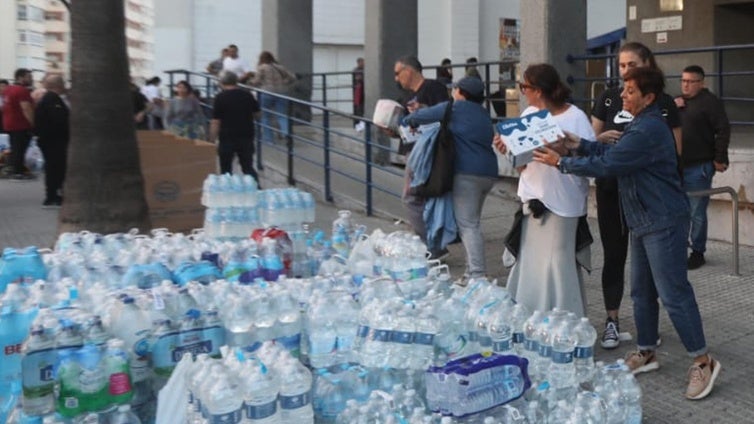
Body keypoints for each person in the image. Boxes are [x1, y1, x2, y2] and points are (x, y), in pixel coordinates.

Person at [533, 66, 721, 401]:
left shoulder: (649, 128)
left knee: (674, 293)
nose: (622, 95)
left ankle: (703, 361)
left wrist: (561, 162)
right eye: (624, 89)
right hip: (643, 220)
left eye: (630, 91)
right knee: (641, 292)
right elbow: (612, 153)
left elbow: (610, 166)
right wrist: (577, 145)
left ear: (648, 97)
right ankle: (646, 351)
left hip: (663, 220)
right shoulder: (639, 125)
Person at [591, 41, 682, 349]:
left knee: (652, 270)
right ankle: (612, 320)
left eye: (632, 65)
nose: (625, 71)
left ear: (647, 64)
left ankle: (650, 329)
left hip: (647, 197)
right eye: (621, 65)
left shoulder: (662, 103)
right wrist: (598, 141)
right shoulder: (608, 98)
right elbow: (594, 144)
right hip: (612, 191)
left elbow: (674, 150)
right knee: (614, 256)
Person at [493, 63, 595, 317]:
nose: (522, 92)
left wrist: (562, 151)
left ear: (537, 90)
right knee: (530, 264)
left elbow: (591, 164)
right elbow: (522, 166)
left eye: (524, 87)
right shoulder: (528, 114)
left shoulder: (575, 117)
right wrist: (509, 151)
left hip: (563, 202)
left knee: (558, 265)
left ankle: (563, 320)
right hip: (531, 197)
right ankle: (528, 318)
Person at [402, 76, 498, 278]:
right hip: (488, 174)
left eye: (455, 89)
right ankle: (470, 270)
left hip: (467, 174)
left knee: (468, 225)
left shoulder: (455, 108)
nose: (453, 92)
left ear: (461, 93)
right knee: (472, 222)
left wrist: (409, 119)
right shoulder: (483, 113)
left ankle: (477, 275)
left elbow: (421, 116)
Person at [392, 55, 450, 258]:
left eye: (398, 73)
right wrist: (390, 129)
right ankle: (433, 243)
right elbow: (403, 128)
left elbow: (446, 114)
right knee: (420, 199)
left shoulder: (434, 88)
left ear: (409, 70)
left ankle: (433, 245)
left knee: (411, 198)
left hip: (428, 153)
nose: (397, 79)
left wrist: (424, 111)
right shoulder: (405, 98)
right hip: (413, 152)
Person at [675, 65, 730, 270]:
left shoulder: (709, 102)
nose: (686, 85)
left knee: (696, 212)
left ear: (701, 83)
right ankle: (680, 247)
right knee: (679, 211)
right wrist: (672, 106)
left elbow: (723, 130)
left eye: (690, 81)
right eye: (683, 81)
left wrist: (719, 158)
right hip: (678, 166)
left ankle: (698, 252)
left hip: (699, 167)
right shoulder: (678, 102)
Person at [209, 71, 261, 183]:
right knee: (247, 166)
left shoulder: (220, 98)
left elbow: (216, 121)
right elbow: (258, 115)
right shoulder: (247, 95)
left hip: (227, 136)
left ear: (221, 82)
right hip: (246, 135)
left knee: (226, 168)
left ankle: (227, 191)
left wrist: (212, 139)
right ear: (236, 81)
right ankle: (257, 189)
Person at [33, 75, 69, 207]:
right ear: (58, 85)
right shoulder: (52, 99)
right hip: (54, 140)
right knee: (56, 167)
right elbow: (58, 120)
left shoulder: (47, 98)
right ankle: (53, 196)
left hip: (49, 139)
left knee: (53, 167)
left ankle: (53, 194)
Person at [249, 51, 296, 144]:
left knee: (265, 116)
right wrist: (284, 83)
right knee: (282, 115)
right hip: (282, 92)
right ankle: (286, 133)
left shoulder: (262, 68)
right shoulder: (280, 67)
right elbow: (292, 77)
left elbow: (256, 81)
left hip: (267, 92)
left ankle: (269, 139)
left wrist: (250, 82)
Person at [2, 68, 35, 180]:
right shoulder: (22, 91)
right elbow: (26, 108)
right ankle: (17, 172)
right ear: (20, 77)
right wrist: (33, 123)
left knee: (16, 148)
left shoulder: (8, 89)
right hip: (20, 124)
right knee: (20, 149)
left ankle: (15, 169)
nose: (31, 79)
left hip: (10, 124)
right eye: (29, 77)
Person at [352, 57, 365, 131]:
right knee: (358, 108)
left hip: (363, 91)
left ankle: (361, 123)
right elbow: (357, 78)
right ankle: (357, 123)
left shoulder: (365, 70)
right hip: (359, 90)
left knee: (361, 108)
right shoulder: (356, 70)